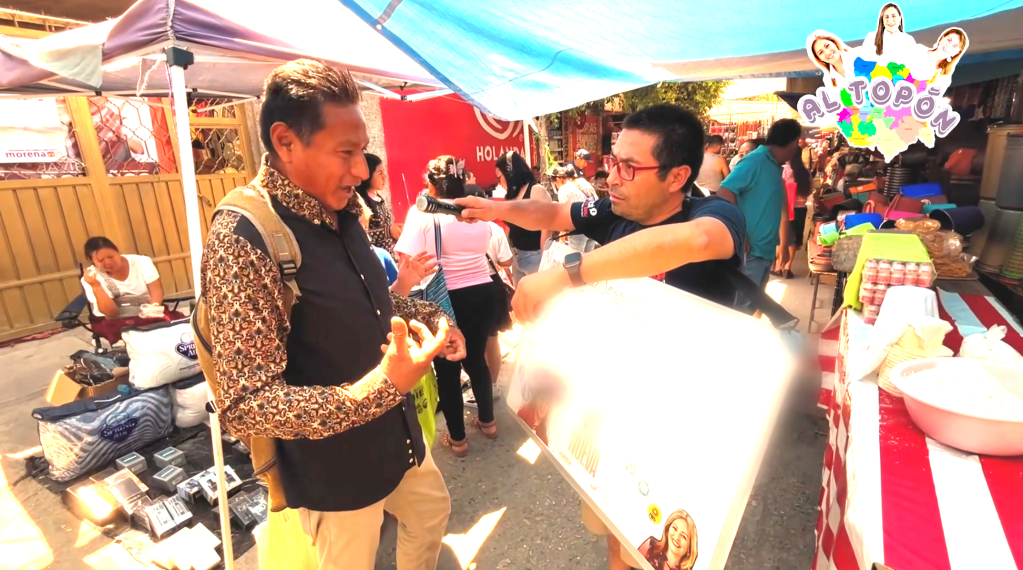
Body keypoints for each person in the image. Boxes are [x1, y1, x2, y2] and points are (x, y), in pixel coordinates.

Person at [199, 59, 466, 570]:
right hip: (336, 474)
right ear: (285, 142)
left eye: (362, 153)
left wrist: (431, 317)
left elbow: (368, 306)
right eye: (345, 154)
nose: (362, 170)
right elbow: (246, 403)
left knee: (431, 516)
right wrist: (385, 387)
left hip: (399, 437)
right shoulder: (245, 237)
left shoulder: (341, 210)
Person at [454, 104, 745, 570]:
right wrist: (497, 208)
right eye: (613, 161)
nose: (613, 177)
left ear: (677, 176)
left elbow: (697, 242)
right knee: (618, 534)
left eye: (630, 167)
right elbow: (551, 211)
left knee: (663, 551)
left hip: (680, 426)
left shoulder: (712, 214)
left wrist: (568, 275)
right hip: (616, 415)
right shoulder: (614, 210)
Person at [395, 155, 502, 457]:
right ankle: (489, 422)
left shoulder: (424, 214)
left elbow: (406, 259)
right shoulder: (475, 213)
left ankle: (458, 440)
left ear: (430, 185)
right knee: (477, 359)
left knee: (447, 369)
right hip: (483, 290)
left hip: (445, 299)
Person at [718, 119, 799, 312]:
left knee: (753, 307)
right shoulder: (755, 161)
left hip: (765, 252)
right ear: (792, 143)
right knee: (741, 310)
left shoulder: (774, 166)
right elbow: (724, 192)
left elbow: (781, 209)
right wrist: (739, 232)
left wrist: (783, 243)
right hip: (749, 253)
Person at [494, 151, 551, 284]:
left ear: (510, 173)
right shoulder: (510, 196)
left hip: (535, 255)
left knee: (538, 301)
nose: (499, 182)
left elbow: (547, 227)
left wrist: (545, 257)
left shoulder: (536, 190)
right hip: (516, 256)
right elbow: (509, 228)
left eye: (499, 177)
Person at [81, 236, 164, 318]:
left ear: (118, 252)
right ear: (92, 261)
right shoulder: (91, 278)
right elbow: (111, 312)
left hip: (147, 312)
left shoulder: (142, 262)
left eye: (111, 257)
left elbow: (156, 290)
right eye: (100, 260)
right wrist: (96, 286)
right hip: (112, 321)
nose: (108, 263)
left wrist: (153, 309)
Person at [354, 153, 401, 253]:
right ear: (368, 174)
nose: (385, 177)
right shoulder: (359, 202)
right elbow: (359, 236)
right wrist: (388, 232)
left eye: (384, 172)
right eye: (379, 173)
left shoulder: (378, 198)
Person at [551, 165, 599, 252]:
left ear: (558, 179)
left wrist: (562, 235)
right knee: (588, 259)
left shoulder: (563, 189)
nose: (556, 187)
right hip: (594, 224)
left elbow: (564, 214)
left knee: (575, 259)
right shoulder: (583, 182)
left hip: (578, 227)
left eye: (555, 184)